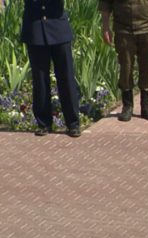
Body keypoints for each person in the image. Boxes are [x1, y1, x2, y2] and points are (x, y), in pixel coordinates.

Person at [19, 0, 81, 137]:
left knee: (66, 77)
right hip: (35, 27)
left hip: (58, 27)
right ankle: (43, 122)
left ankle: (73, 122)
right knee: (40, 79)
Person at [99, 0, 148, 122]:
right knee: (126, 67)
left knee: (147, 68)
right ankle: (127, 106)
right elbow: (105, 3)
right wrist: (105, 27)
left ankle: (146, 106)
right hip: (123, 29)